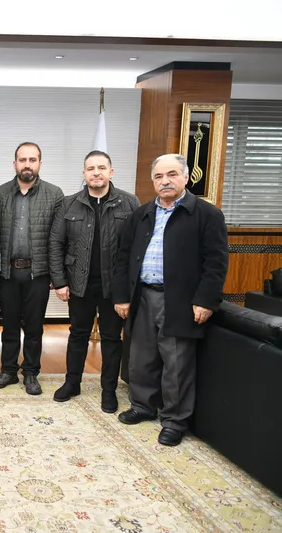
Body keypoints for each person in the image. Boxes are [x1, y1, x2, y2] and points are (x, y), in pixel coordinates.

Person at [112, 153, 228, 446]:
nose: (165, 181)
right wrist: (122, 297)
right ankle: (142, 406)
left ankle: (175, 421)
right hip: (142, 296)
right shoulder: (141, 214)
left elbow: (216, 263)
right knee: (140, 358)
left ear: (186, 177)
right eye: (159, 176)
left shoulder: (206, 215)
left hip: (180, 301)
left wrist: (205, 300)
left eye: (172, 174)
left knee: (176, 363)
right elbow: (123, 258)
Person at [48, 150, 140, 412]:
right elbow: (55, 243)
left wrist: (129, 290)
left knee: (111, 338)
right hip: (80, 283)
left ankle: (108, 390)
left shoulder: (129, 203)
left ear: (111, 172)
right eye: (91, 168)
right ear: (84, 173)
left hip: (114, 286)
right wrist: (60, 281)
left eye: (101, 168)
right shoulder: (69, 204)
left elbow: (137, 248)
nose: (96, 173)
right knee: (77, 334)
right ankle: (72, 383)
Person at [0, 142, 64, 395]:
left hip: (38, 274)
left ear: (40, 163)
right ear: (15, 164)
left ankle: (31, 373)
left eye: (32, 160)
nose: (27, 165)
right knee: (9, 326)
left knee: (34, 327)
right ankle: (8, 371)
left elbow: (58, 238)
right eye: (22, 160)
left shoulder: (54, 194)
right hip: (8, 273)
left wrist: (56, 274)